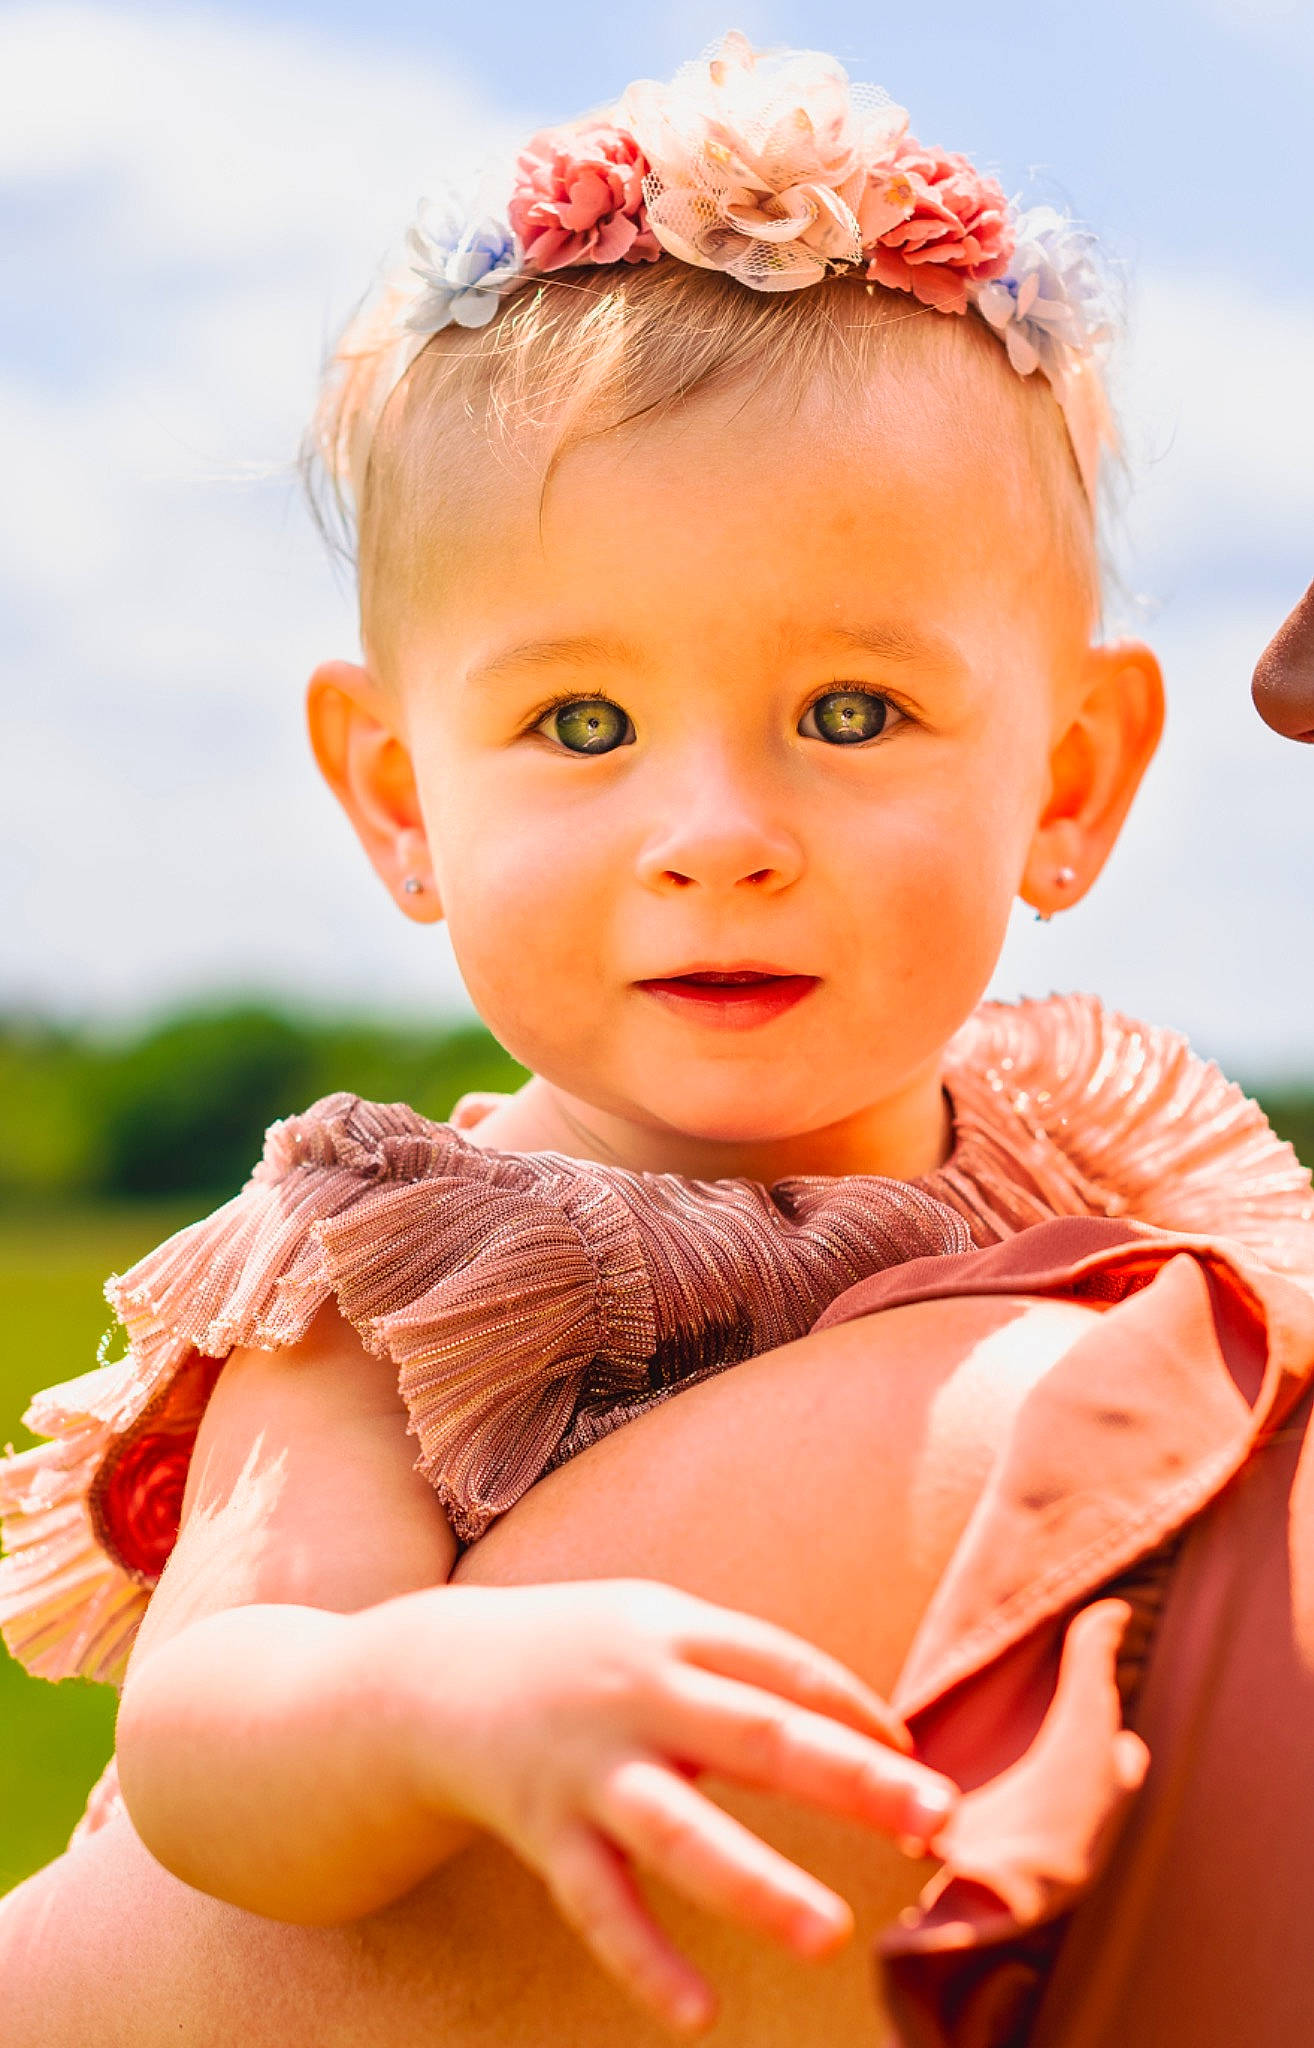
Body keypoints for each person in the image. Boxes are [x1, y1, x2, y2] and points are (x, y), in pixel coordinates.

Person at [3, 32, 1313, 2048]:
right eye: (582, 728)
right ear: (398, 795)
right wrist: (444, 1695)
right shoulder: (415, 1262)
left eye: (853, 713)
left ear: (1070, 779)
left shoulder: (1090, 1160)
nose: (715, 839)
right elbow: (208, 1732)